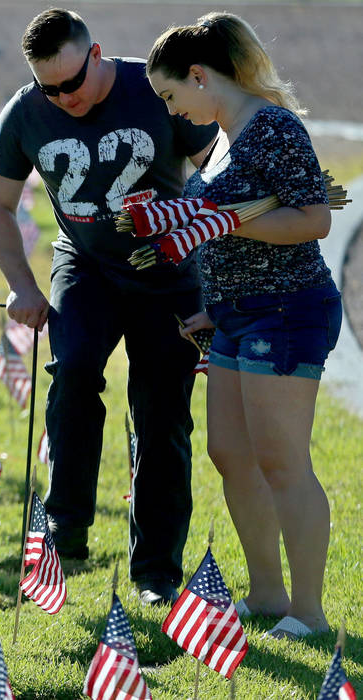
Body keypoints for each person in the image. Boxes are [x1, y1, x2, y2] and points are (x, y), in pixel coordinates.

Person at [0, 8, 218, 605]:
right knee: (76, 368)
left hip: (169, 272)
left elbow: (218, 178)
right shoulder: (27, 112)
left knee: (162, 415)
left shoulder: (156, 88)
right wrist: (22, 286)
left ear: (98, 54)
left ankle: (157, 572)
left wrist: (217, 281)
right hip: (85, 264)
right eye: (48, 87)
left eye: (72, 83)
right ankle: (65, 526)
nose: (63, 98)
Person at [147, 12, 339, 639]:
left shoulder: (273, 127)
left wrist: (222, 221)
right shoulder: (226, 133)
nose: (172, 110)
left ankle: (307, 611)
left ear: (200, 75)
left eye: (172, 95)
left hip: (286, 310)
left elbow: (314, 220)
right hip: (235, 314)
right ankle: (264, 594)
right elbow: (238, 221)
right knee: (230, 453)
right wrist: (216, 302)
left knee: (283, 460)